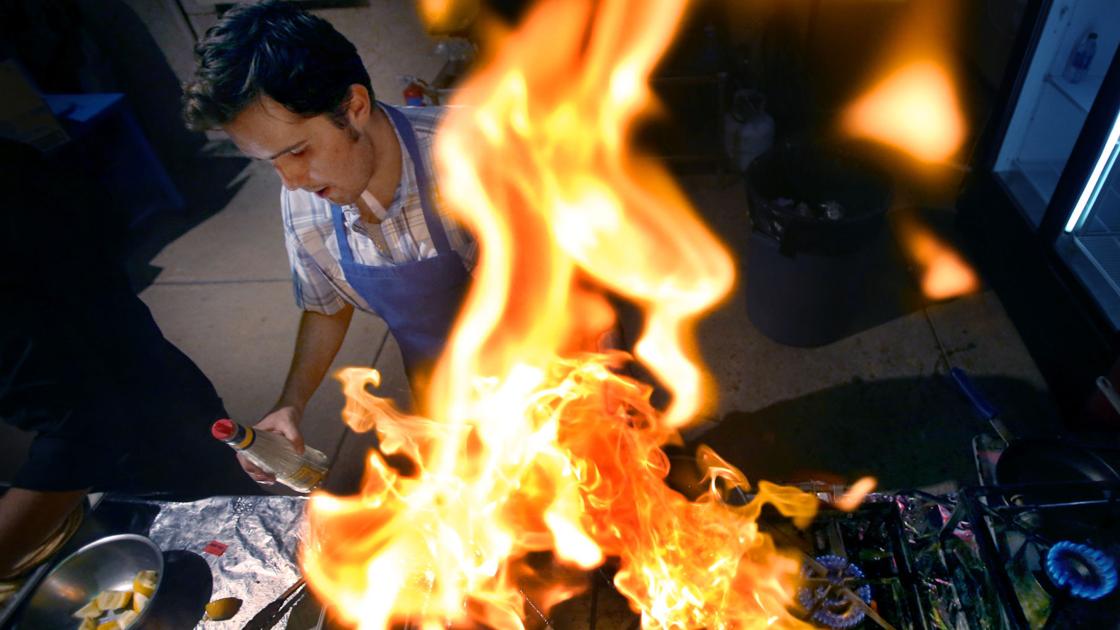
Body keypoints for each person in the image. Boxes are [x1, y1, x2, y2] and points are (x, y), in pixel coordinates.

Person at [181, 0, 478, 486]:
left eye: (298, 151)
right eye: (271, 162)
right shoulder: (303, 201)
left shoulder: (472, 154)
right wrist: (291, 403)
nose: (291, 181)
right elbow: (326, 304)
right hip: (439, 391)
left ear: (354, 107)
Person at [0, 139, 260, 579]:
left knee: (229, 547)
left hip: (153, 436)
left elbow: (83, 431)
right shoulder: (21, 170)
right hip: (156, 387)